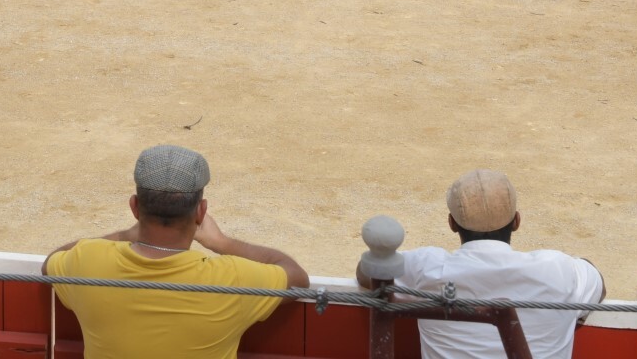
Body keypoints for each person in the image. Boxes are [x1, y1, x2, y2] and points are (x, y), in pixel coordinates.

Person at [43, 145, 306, 359]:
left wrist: (126, 234)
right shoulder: (232, 280)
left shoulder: (88, 261)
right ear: (201, 212)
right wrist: (222, 243)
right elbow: (297, 278)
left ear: (135, 207)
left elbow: (50, 265)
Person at [364, 168, 604, 359]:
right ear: (516, 221)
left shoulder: (425, 267)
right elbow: (599, 285)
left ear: (452, 224)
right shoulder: (558, 268)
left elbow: (369, 272)